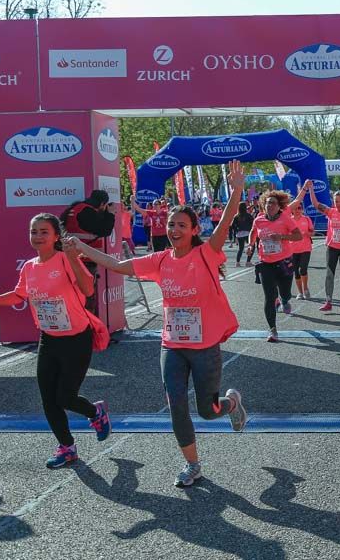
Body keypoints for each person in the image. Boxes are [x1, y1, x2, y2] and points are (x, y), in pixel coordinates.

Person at [71, 160, 249, 488]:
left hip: (205, 345)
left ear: (194, 229)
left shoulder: (207, 253)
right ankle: (193, 464)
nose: (174, 230)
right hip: (172, 344)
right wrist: (82, 247)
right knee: (176, 404)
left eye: (182, 225)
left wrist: (236, 190)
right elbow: (116, 264)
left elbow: (224, 223)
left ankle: (231, 403)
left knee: (207, 411)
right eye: (171, 224)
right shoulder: (160, 260)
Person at [0, 213, 112, 468]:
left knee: (65, 397)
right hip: (49, 338)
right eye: (34, 231)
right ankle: (67, 447)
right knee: (48, 399)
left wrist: (73, 258)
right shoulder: (30, 266)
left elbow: (88, 290)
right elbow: (20, 294)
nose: (38, 236)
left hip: (76, 338)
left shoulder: (65, 259)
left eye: (44, 231)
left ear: (56, 235)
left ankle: (95, 412)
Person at [247, 190, 301, 341]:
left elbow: (298, 236)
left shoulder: (285, 219)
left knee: (285, 292)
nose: (269, 205)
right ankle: (272, 330)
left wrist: (282, 237)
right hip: (266, 263)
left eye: (273, 203)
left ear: (279, 206)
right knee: (269, 297)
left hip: (284, 261)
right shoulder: (258, 219)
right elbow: (253, 232)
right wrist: (251, 245)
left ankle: (284, 300)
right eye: (267, 203)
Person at [304, 181, 340, 311]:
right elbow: (315, 204)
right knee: (329, 274)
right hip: (332, 248)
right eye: (336, 201)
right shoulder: (330, 212)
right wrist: (310, 189)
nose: (339, 204)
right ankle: (329, 301)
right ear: (333, 202)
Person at [289, 199, 314, 301]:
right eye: (295, 208)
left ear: (302, 209)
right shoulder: (289, 220)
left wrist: (309, 234)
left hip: (305, 248)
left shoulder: (306, 219)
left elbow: (312, 232)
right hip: (292, 249)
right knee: (296, 272)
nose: (297, 210)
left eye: (299, 208)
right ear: (292, 210)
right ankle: (300, 292)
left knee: (303, 269)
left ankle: (306, 288)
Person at [231, 202, 255, 267]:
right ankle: (248, 261)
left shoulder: (236, 216)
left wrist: (236, 231)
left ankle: (237, 262)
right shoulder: (248, 215)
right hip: (247, 233)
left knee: (240, 248)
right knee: (251, 247)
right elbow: (253, 224)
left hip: (239, 234)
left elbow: (232, 226)